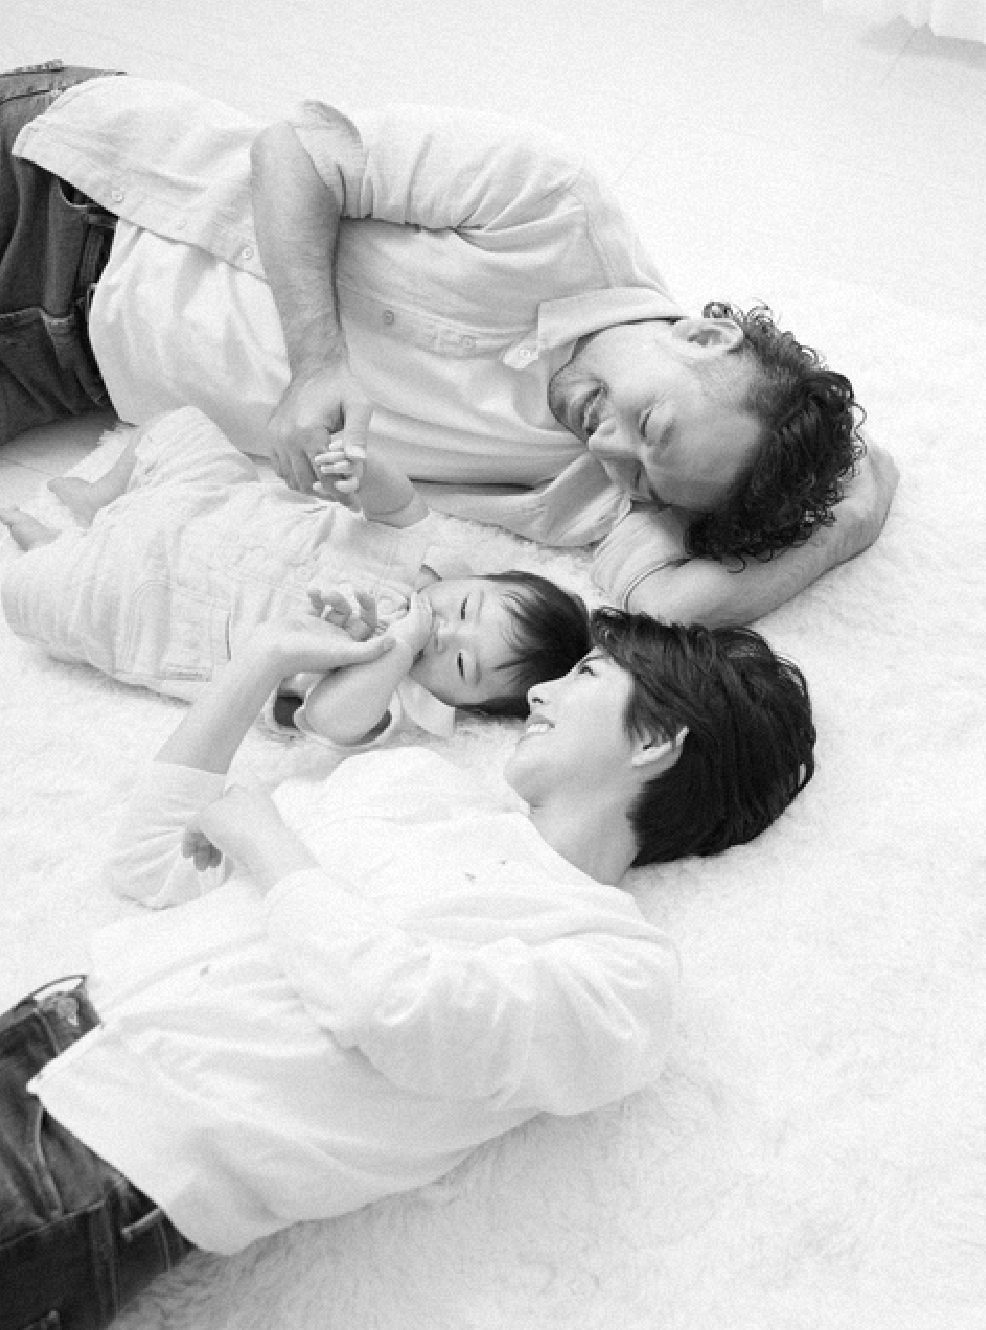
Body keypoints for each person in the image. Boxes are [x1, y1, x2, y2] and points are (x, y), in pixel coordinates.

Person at [0, 596, 815, 1329]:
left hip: (102, 1164)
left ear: (655, 741)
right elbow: (152, 864)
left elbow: (398, 1010)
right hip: (37, 1033)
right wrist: (262, 660)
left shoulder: (620, 974)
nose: (539, 691)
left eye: (586, 676)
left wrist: (265, 840)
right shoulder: (412, 784)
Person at [1, 62, 899, 630]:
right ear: (704, 335)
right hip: (74, 199)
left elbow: (667, 607)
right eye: (652, 426)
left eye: (645, 479)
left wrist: (847, 531)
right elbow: (296, 153)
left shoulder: (602, 485)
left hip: (62, 372)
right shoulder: (551, 201)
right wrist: (317, 364)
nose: (612, 447)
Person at [0, 406, 591, 747]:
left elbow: (329, 722)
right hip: (207, 500)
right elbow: (397, 500)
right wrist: (358, 472)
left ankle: (49, 547)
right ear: (476, 578)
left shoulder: (395, 697)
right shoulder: (419, 553)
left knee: (31, 594)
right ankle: (102, 497)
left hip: (140, 602)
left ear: (459, 704)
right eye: (465, 609)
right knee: (180, 424)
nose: (445, 633)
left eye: (462, 665)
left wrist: (396, 647)